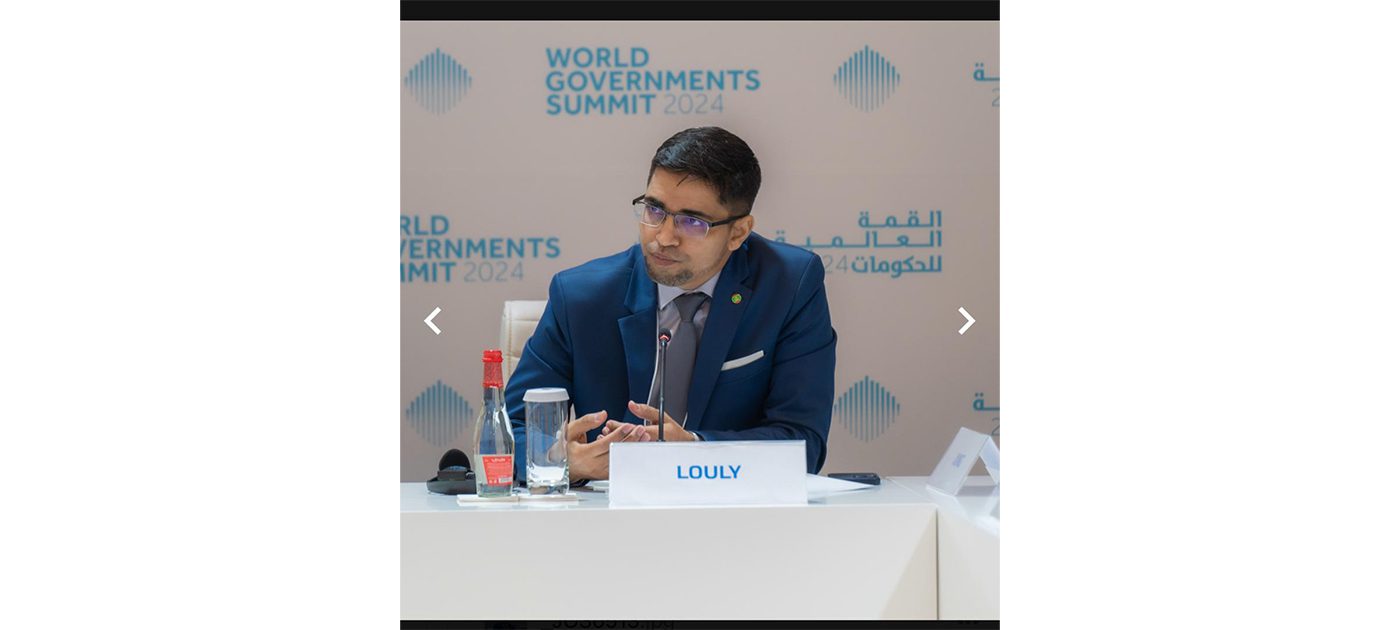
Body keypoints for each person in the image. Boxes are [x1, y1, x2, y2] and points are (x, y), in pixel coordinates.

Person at [504, 126, 837, 483]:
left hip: (732, 507)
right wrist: (563, 463)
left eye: (692, 222)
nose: (663, 238)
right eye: (655, 210)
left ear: (738, 233)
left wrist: (695, 449)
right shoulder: (581, 297)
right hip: (607, 508)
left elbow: (803, 443)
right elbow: (510, 431)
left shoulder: (788, 286)